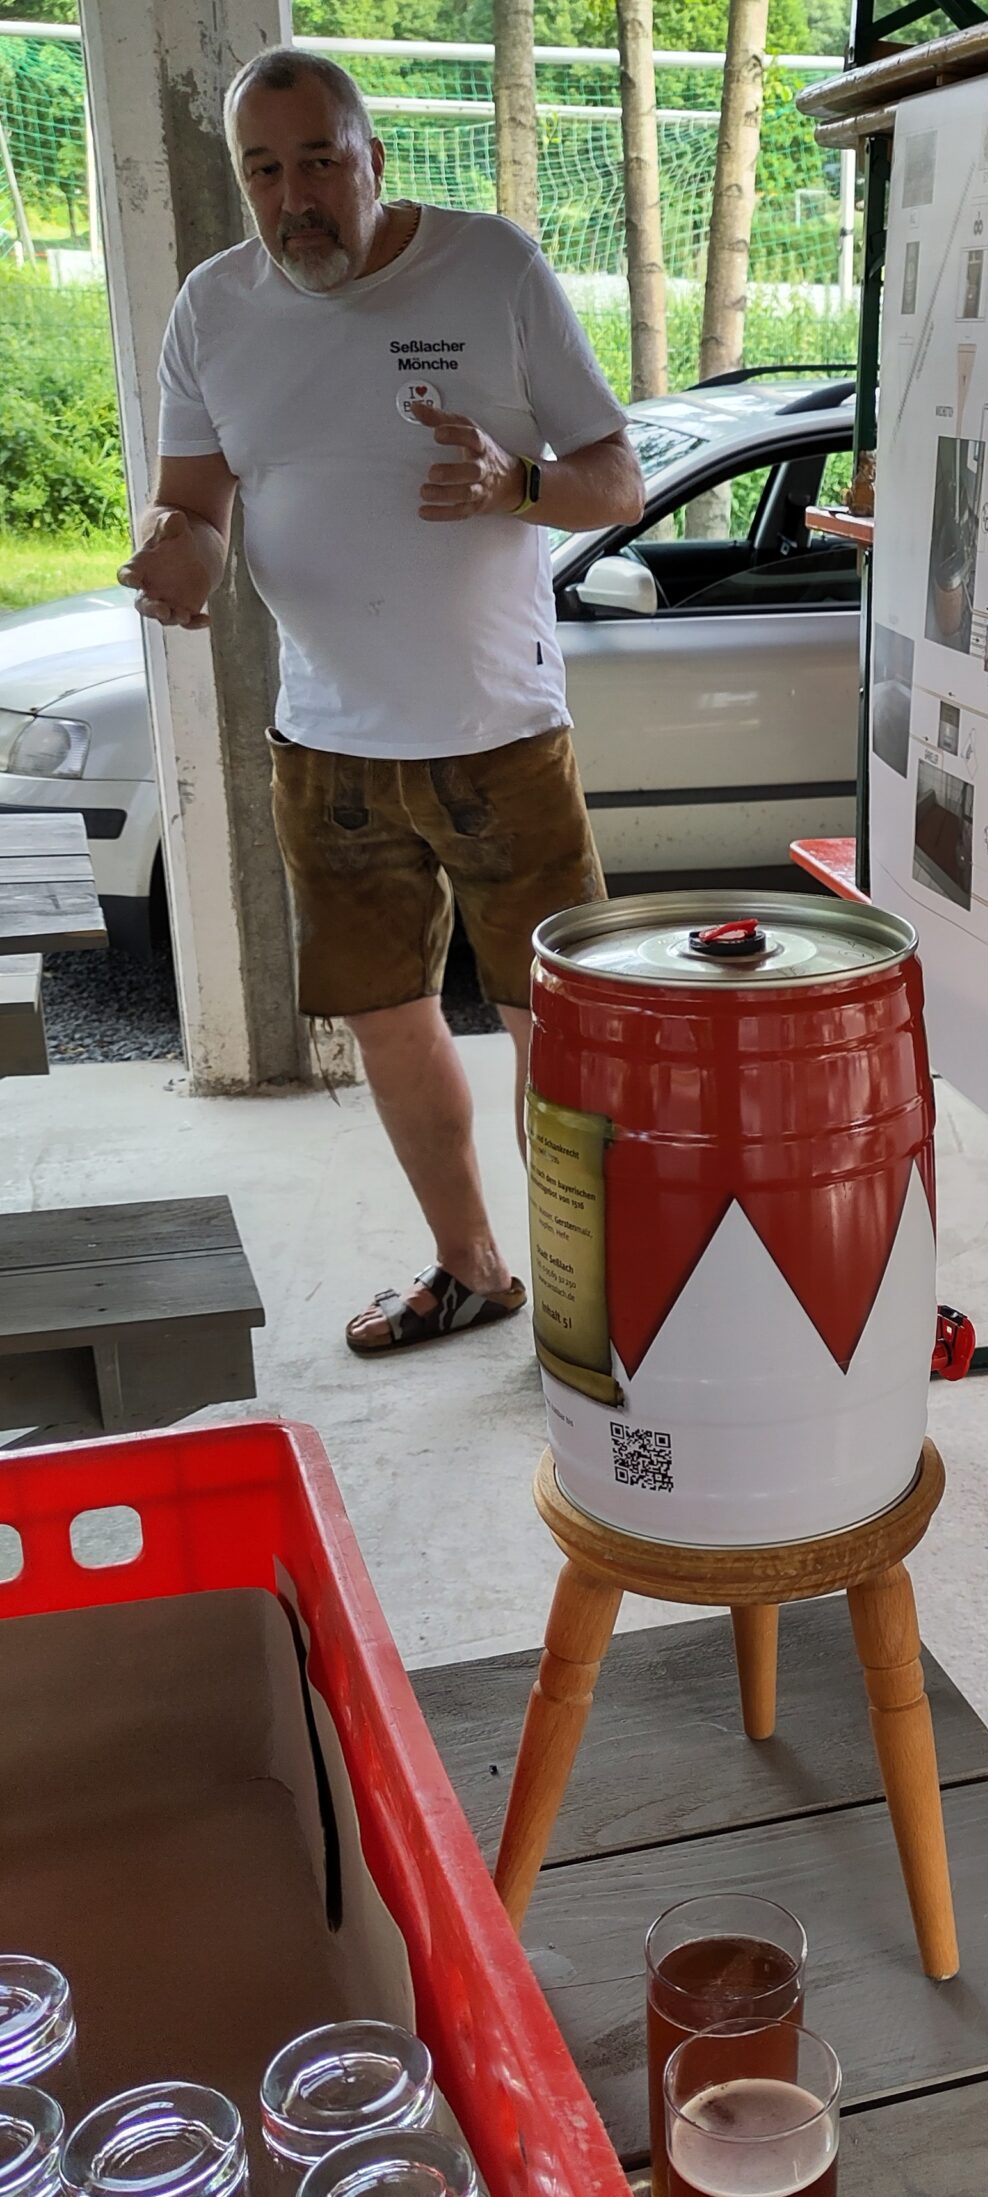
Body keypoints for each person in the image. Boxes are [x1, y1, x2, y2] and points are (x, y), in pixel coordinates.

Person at [120, 46, 646, 1357]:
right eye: (263, 169)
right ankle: (470, 1271)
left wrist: (512, 485)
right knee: (387, 1022)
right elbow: (195, 503)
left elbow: (616, 480)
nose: (293, 197)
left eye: (317, 162)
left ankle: (592, 1307)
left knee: (555, 1036)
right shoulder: (212, 306)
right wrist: (177, 555)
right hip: (329, 752)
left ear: (374, 157)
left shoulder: (492, 268)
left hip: (502, 739)